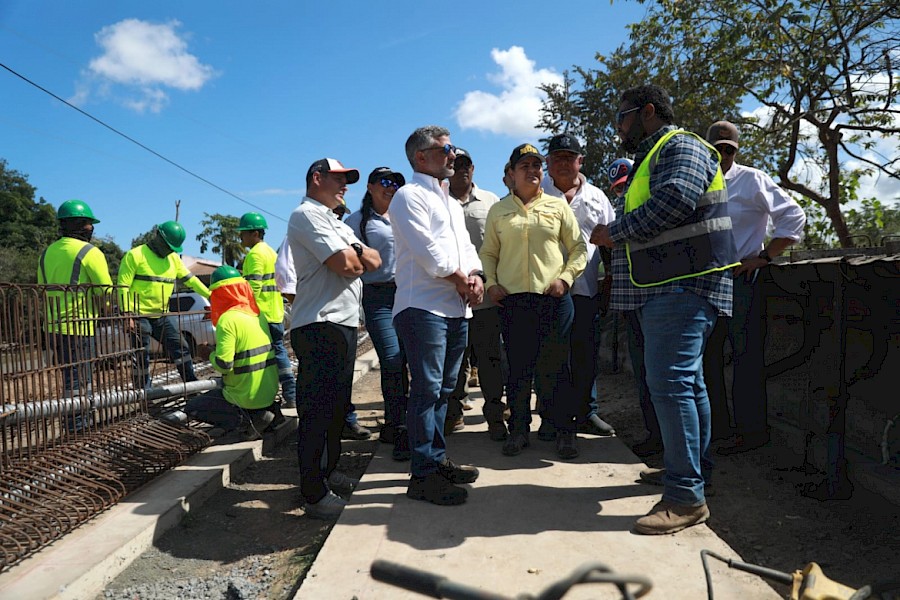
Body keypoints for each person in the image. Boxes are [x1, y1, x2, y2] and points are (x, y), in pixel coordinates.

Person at [590, 84, 739, 535]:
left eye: (623, 116)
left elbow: (675, 199)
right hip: (668, 283)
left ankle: (685, 496)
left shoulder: (682, 145)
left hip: (684, 283)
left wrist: (615, 232)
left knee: (671, 384)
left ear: (648, 112)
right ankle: (691, 471)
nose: (618, 126)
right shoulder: (652, 156)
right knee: (687, 385)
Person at [389, 125, 483, 506]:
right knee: (426, 390)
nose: (452, 155)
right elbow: (428, 252)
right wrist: (462, 279)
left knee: (445, 389)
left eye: (453, 148)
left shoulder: (449, 200)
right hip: (423, 306)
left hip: (455, 307)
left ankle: (436, 457)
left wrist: (476, 276)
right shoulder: (408, 197)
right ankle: (422, 474)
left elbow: (465, 247)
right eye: (446, 149)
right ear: (420, 157)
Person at [703, 120, 806, 455]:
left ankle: (751, 433)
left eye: (728, 150)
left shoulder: (751, 180)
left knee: (747, 360)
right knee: (707, 360)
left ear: (736, 150)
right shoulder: (698, 183)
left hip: (741, 282)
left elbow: (793, 216)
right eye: (716, 150)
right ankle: (717, 429)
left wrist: (763, 256)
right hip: (705, 283)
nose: (722, 156)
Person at [288, 157, 382, 520]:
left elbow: (373, 261)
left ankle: (327, 473)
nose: (345, 186)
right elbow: (347, 266)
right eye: (339, 179)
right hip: (319, 324)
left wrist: (354, 252)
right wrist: (355, 254)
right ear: (316, 179)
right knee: (317, 411)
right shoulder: (306, 216)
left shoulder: (333, 221)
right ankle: (313, 492)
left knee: (336, 408)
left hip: (340, 324)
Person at [481, 143, 587, 459]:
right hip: (513, 302)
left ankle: (563, 430)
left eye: (537, 166)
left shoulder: (557, 207)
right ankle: (519, 430)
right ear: (511, 174)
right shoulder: (499, 211)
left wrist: (565, 278)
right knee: (518, 370)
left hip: (552, 299)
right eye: (525, 166)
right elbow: (488, 252)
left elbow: (579, 249)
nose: (533, 171)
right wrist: (491, 283)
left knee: (556, 368)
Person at [541, 133, 617, 439]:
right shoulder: (535, 192)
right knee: (550, 357)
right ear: (547, 162)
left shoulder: (598, 196)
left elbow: (611, 240)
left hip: (586, 289)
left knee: (586, 355)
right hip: (547, 290)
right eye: (556, 157)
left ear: (580, 161)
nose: (562, 163)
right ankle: (550, 417)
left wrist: (610, 277)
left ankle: (587, 412)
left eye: (568, 157)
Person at [273, 228, 372, 441]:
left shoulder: (342, 233)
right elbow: (285, 275)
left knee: (341, 380)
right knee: (316, 382)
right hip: (317, 321)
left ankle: (342, 422)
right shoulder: (300, 234)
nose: (335, 215)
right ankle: (313, 435)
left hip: (345, 320)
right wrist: (304, 305)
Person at [345, 166, 411, 460]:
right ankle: (397, 425)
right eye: (385, 182)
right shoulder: (355, 222)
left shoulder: (405, 216)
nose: (391, 187)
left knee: (409, 359)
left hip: (409, 294)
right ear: (370, 187)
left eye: (396, 183)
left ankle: (403, 423)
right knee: (392, 358)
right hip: (379, 298)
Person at [444, 147, 507, 441]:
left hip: (485, 299)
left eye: (467, 164)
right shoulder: (438, 201)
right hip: (449, 297)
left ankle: (495, 415)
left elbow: (500, 247)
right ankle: (454, 413)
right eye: (456, 165)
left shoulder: (491, 202)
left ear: (474, 168)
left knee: (491, 358)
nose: (462, 170)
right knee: (455, 361)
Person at [38, 199, 113, 429]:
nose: (92, 229)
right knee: (81, 381)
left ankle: (75, 423)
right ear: (80, 225)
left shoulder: (46, 253)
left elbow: (42, 289)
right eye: (89, 224)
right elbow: (106, 291)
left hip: (52, 328)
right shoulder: (90, 252)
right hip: (79, 327)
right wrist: (110, 311)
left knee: (70, 379)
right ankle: (77, 428)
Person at [606, 158, 662, 458]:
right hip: (630, 300)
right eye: (617, 189)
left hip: (653, 297)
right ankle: (655, 435)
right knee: (643, 373)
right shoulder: (621, 208)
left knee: (661, 376)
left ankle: (668, 442)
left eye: (625, 186)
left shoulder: (645, 208)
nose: (621, 192)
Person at [186, 266, 278, 441]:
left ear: (221, 293)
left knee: (193, 407)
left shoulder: (228, 320)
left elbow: (224, 365)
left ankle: (246, 421)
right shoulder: (258, 315)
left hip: (244, 395)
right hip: (267, 392)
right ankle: (269, 413)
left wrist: (208, 354)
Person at [117, 221, 210, 388]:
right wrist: (127, 315)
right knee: (141, 353)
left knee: (181, 347)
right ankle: (143, 391)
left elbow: (191, 281)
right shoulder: (135, 255)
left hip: (162, 315)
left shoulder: (173, 259)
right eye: (168, 246)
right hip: (139, 316)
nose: (169, 250)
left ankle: (190, 383)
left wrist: (212, 295)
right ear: (158, 236)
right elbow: (122, 287)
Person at [237, 212, 297, 410]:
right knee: (278, 353)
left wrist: (241, 311)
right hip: (275, 313)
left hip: (262, 315)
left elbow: (252, 288)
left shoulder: (254, 255)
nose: (240, 237)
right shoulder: (271, 252)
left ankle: (285, 394)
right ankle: (289, 394)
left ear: (255, 233)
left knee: (270, 357)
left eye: (244, 233)